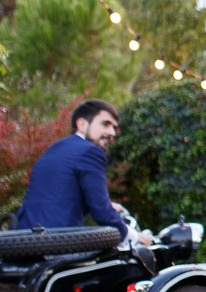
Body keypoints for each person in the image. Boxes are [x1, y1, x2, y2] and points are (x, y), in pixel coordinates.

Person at [14, 99, 148, 245]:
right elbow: (101, 212)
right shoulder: (91, 151)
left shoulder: (54, 149)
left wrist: (106, 204)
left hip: (22, 239)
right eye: (105, 124)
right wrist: (134, 236)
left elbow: (57, 194)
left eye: (114, 128)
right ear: (82, 124)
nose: (112, 133)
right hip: (59, 244)